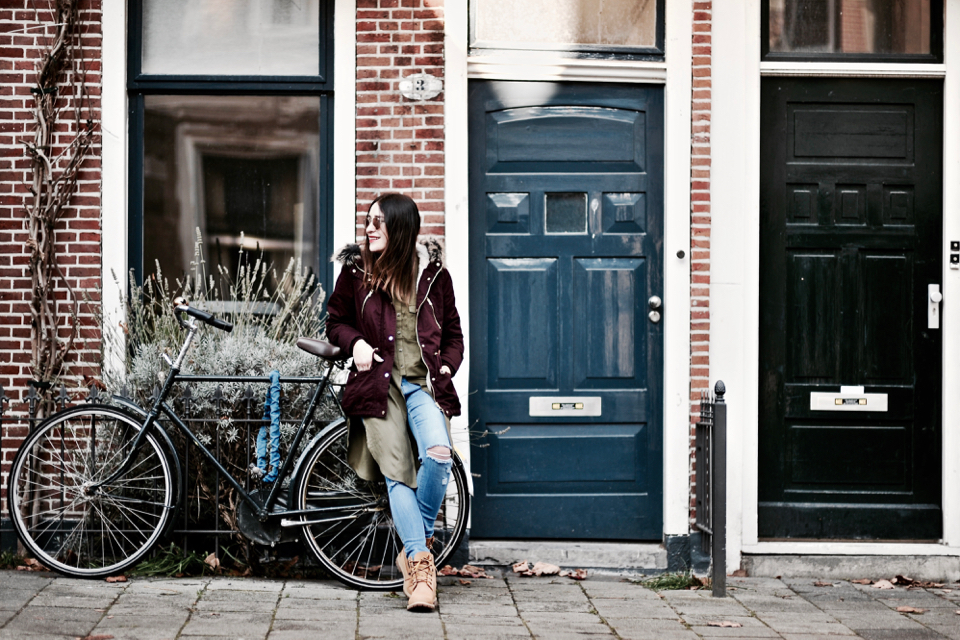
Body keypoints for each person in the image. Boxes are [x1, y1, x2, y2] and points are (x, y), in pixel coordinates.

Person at [326, 193, 464, 611]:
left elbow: (454, 333)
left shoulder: (434, 276)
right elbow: (335, 321)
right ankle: (422, 569)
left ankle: (412, 544)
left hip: (422, 385)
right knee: (397, 472)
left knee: (440, 455)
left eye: (378, 223)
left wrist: (447, 367)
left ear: (401, 229)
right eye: (368, 221)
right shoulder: (356, 271)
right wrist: (358, 343)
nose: (368, 229)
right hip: (378, 385)